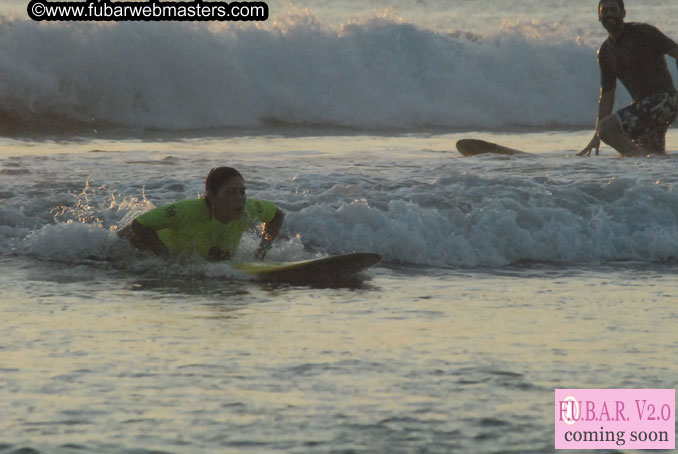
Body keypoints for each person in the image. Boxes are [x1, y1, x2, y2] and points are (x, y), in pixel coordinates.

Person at [118, 167, 284, 262]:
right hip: (130, 246)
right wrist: (168, 261)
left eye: (242, 192)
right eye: (230, 193)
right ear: (211, 195)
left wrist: (261, 253)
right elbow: (138, 225)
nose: (239, 199)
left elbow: (277, 216)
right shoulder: (188, 211)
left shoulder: (248, 208)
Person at [579, 0, 678, 157]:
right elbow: (607, 94)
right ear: (598, 16)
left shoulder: (643, 32)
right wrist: (597, 135)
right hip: (644, 107)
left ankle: (642, 159)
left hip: (665, 100)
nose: (609, 14)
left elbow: (675, 51)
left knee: (609, 129)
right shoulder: (605, 52)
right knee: (651, 154)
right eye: (604, 11)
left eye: (613, 10)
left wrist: (602, 131)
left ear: (623, 13)